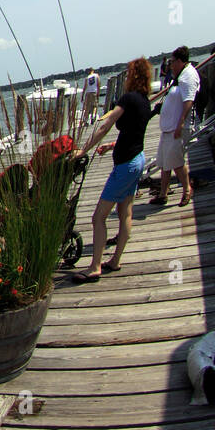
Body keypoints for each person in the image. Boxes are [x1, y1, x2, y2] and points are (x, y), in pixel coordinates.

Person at [71, 58, 153, 283]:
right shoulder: (145, 101)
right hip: (137, 159)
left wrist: (83, 150)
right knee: (125, 211)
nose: (126, 76)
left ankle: (95, 266)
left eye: (128, 73)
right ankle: (115, 260)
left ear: (133, 76)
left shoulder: (127, 99)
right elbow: (134, 134)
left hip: (126, 166)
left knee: (98, 217)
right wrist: (112, 146)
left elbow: (106, 125)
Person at [153, 45, 199, 208]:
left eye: (173, 62)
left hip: (177, 128)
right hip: (169, 128)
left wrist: (180, 123)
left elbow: (188, 101)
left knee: (177, 162)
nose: (171, 65)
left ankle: (187, 190)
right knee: (165, 162)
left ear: (180, 61)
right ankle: (163, 194)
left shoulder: (188, 77)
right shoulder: (179, 75)